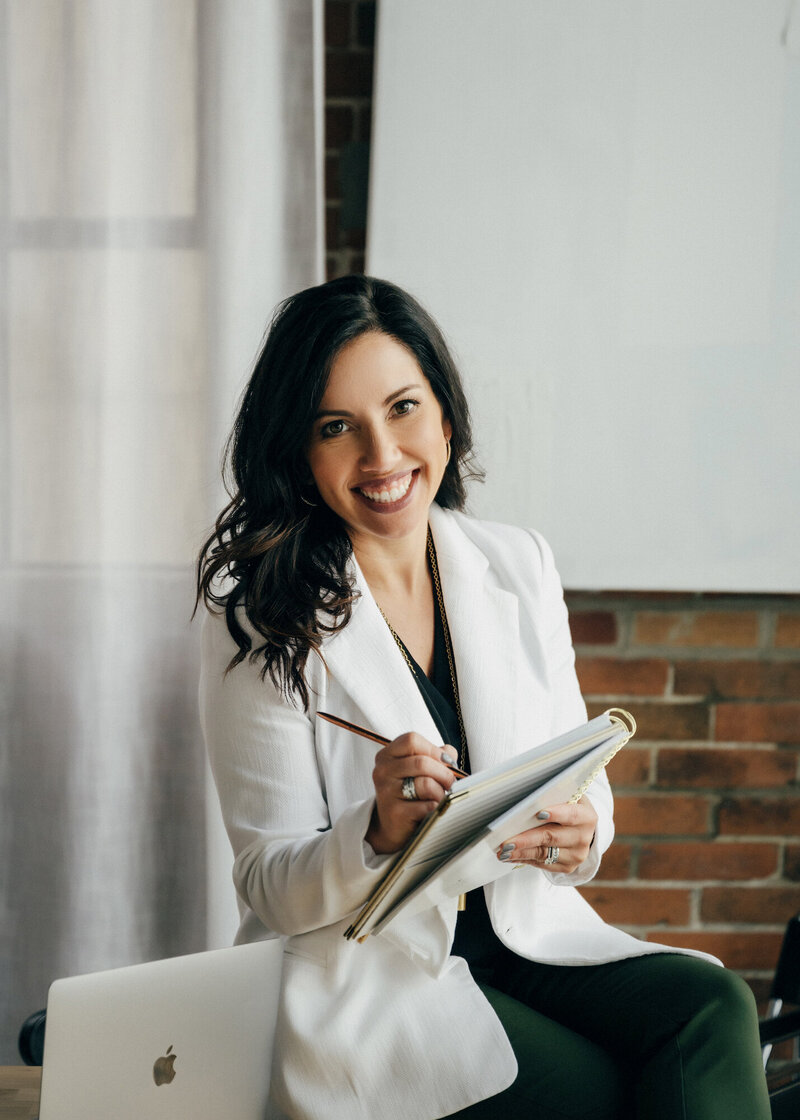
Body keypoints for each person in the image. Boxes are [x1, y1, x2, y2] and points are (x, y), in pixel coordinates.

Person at [197, 275, 770, 1120]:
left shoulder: (516, 563)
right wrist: (376, 831)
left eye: (402, 409)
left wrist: (582, 835)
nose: (382, 457)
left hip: (524, 933)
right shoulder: (259, 618)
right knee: (591, 1092)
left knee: (714, 1011)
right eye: (336, 428)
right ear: (299, 452)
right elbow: (269, 886)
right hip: (370, 974)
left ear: (445, 416)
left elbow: (580, 776)